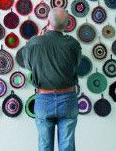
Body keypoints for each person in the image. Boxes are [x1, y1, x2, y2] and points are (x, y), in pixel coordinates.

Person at [22, 8, 82, 151]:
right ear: (67, 25)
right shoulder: (73, 44)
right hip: (68, 98)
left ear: (47, 21)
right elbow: (76, 64)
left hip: (44, 99)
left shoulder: (34, 43)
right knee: (67, 146)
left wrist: (37, 40)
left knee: (45, 146)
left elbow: (29, 66)